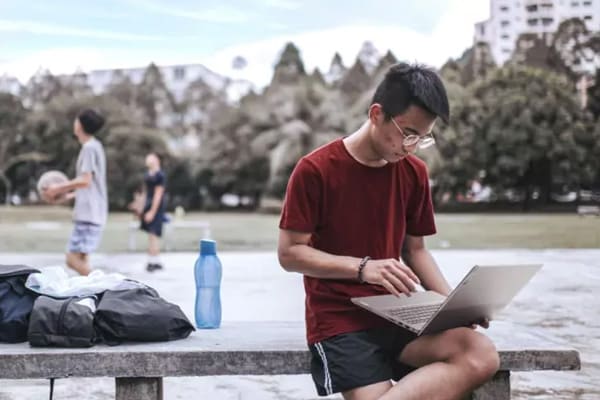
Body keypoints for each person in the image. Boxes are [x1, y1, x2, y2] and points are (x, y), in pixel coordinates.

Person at [278, 63, 500, 400]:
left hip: (401, 314)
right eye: (408, 133)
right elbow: (290, 253)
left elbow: (416, 251)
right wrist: (363, 268)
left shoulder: (414, 173)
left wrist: (453, 306)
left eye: (423, 138)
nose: (411, 146)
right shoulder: (315, 170)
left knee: (481, 354)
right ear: (377, 114)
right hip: (341, 321)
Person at [44, 109, 107, 276]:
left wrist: (57, 188)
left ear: (80, 125)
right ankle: (91, 296)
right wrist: (68, 196)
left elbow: (85, 181)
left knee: (71, 259)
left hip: (89, 215)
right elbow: (91, 186)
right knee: (82, 259)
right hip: (94, 212)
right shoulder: (95, 146)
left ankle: (105, 288)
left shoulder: (89, 148)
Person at [140, 152, 167, 272]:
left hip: (156, 207)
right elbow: (145, 193)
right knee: (151, 235)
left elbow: (158, 194)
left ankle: (153, 261)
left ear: (156, 160)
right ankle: (155, 260)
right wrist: (142, 207)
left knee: (153, 234)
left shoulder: (160, 175)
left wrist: (152, 211)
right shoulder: (147, 175)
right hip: (148, 206)